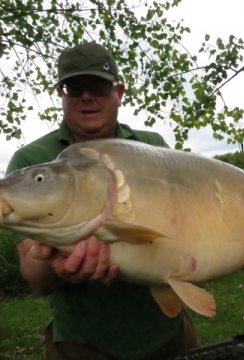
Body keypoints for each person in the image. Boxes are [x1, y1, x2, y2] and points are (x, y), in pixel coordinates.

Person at [6, 41, 200, 360]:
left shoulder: (153, 146)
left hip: (166, 332)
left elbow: (189, 228)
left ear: (118, 92)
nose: (86, 95)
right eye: (74, 86)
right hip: (83, 343)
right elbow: (33, 273)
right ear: (61, 94)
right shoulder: (30, 162)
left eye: (97, 85)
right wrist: (57, 268)